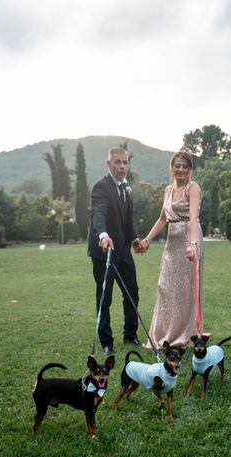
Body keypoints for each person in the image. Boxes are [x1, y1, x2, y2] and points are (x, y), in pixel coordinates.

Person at [139, 151, 203, 349]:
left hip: (188, 238)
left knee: (184, 290)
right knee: (165, 287)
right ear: (172, 167)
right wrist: (147, 240)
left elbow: (193, 217)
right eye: (177, 165)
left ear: (190, 169)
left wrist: (192, 243)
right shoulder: (167, 190)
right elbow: (162, 219)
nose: (181, 169)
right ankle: (164, 334)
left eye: (185, 166)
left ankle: (183, 335)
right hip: (171, 242)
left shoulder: (193, 188)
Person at [88, 147, 144, 356]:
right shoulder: (101, 188)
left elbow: (126, 224)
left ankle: (130, 334)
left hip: (124, 252)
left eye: (125, 162)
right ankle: (106, 342)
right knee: (105, 297)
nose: (122, 166)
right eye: (117, 162)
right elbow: (98, 214)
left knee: (132, 293)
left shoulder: (126, 189)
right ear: (109, 164)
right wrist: (102, 235)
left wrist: (135, 239)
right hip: (104, 253)